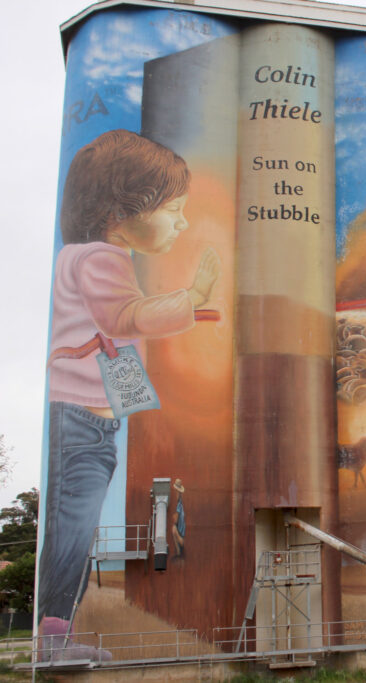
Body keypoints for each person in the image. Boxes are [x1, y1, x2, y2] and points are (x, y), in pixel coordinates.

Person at [38, 130, 220, 655]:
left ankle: (56, 633)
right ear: (123, 208)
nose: (182, 222)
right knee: (74, 531)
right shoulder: (102, 258)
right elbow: (123, 320)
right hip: (81, 423)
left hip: (90, 423)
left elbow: (112, 342)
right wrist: (191, 298)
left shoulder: (86, 256)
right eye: (174, 209)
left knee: (77, 528)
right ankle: (54, 637)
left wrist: (133, 409)